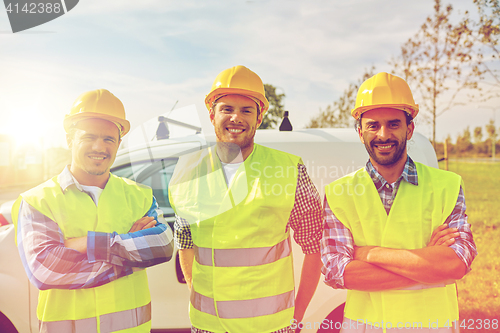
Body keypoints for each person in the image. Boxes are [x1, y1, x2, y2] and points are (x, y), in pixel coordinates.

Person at [168, 65, 323, 333]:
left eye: (246, 110)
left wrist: (296, 316)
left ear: (260, 117)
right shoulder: (188, 171)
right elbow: (185, 241)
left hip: (271, 326)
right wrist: (197, 293)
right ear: (212, 114)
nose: (236, 117)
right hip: (208, 327)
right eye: (227, 109)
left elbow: (315, 247)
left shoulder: (288, 170)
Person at [321, 72, 477, 332]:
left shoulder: (447, 186)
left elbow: (457, 263)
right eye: (373, 125)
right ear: (360, 132)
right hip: (365, 326)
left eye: (393, 124)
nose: (383, 134)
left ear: (410, 128)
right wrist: (428, 267)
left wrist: (368, 253)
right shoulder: (339, 193)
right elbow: (337, 272)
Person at [12, 89, 174, 333]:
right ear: (69, 140)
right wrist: (133, 254)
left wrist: (87, 244)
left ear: (119, 143)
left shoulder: (139, 195)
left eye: (109, 139)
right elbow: (47, 270)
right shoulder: (38, 200)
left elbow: (162, 246)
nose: (99, 146)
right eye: (89, 137)